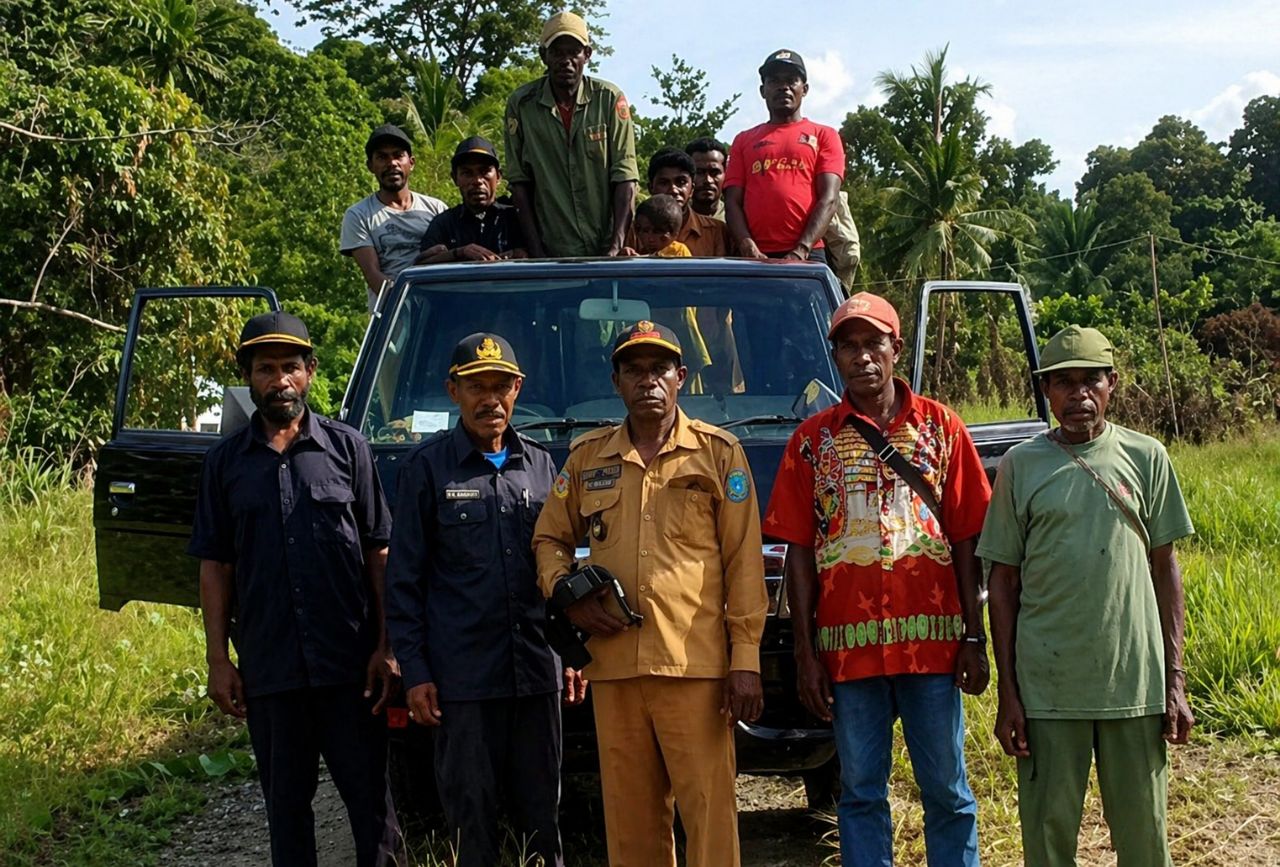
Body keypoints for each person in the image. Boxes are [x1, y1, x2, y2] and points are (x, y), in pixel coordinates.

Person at [764, 293, 991, 867]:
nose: (862, 357)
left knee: (948, 791)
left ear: (896, 349)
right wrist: (805, 655)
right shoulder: (810, 442)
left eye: (874, 344)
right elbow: (798, 553)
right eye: (849, 346)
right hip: (849, 653)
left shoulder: (943, 428)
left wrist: (974, 635)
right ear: (835, 356)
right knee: (861, 792)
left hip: (933, 649)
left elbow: (968, 537)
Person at [532, 321, 768, 867]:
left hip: (695, 669)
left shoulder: (717, 454)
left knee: (709, 816)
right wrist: (565, 591)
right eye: (634, 370)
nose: (648, 381)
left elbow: (744, 562)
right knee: (631, 824)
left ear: (681, 377)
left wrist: (746, 659)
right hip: (614, 669)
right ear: (616, 381)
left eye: (659, 369)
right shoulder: (587, 458)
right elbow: (548, 538)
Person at [978, 325, 1195, 867]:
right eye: (1064, 383)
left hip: (1133, 684)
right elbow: (1002, 582)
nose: (1079, 395)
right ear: (1046, 391)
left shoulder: (1147, 457)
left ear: (1112, 383)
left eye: (1091, 381)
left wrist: (1174, 679)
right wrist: (1009, 691)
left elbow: (1165, 568)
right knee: (1048, 843)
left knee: (1145, 841)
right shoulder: (1020, 466)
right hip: (1048, 690)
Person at [188, 311, 399, 867]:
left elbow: (379, 552)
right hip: (271, 668)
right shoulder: (224, 464)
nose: (279, 380)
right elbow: (216, 566)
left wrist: (386, 646)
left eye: (290, 367)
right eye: (265, 369)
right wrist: (218, 660)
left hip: (350, 667)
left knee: (373, 811)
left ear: (309, 372)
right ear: (248, 378)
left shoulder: (348, 450)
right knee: (286, 812)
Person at [385, 333, 582, 867]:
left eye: (500, 386)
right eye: (476, 387)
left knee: (543, 817)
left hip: (536, 671)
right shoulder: (427, 468)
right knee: (471, 818)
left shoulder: (542, 466)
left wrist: (572, 655)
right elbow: (404, 581)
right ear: (454, 391)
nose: (489, 399)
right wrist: (415, 672)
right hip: (463, 680)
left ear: (517, 389)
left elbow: (561, 568)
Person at [504, 11, 639, 258]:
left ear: (587, 54)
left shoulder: (609, 99)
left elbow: (625, 177)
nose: (566, 61)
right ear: (543, 56)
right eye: (557, 52)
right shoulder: (521, 105)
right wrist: (537, 254)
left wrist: (615, 247)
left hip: (607, 247)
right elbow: (519, 183)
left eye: (574, 52)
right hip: (551, 250)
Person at [724, 50, 844, 262]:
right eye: (774, 81)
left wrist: (801, 250)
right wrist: (747, 245)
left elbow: (829, 198)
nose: (783, 87)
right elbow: (732, 201)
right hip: (753, 257)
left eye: (791, 80)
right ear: (763, 90)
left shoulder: (825, 135)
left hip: (808, 253)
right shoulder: (743, 140)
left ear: (804, 89)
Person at [341, 124, 447, 312]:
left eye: (398, 155)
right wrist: (411, 302)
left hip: (437, 309)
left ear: (411, 163)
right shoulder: (359, 215)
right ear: (370, 166)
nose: (392, 163)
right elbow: (373, 275)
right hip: (391, 316)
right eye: (382, 157)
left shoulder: (436, 209)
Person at [416, 137, 526, 263]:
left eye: (484, 171)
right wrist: (459, 253)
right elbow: (422, 263)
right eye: (467, 173)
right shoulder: (444, 224)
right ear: (455, 178)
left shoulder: (517, 218)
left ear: (498, 176)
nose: (477, 181)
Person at [629, 147, 731, 256]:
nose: (673, 190)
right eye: (664, 183)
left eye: (681, 182)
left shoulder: (716, 231)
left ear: (692, 189)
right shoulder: (635, 230)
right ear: (651, 188)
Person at [685, 137, 729, 219]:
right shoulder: (674, 217)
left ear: (725, 174)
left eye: (714, 172)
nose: (708, 180)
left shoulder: (736, 218)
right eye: (699, 172)